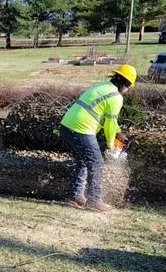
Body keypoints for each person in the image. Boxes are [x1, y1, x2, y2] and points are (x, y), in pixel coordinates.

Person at [59, 64, 137, 212]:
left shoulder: (102, 86)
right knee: (96, 163)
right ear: (126, 84)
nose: (127, 91)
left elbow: (108, 120)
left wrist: (118, 133)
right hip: (81, 129)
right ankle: (95, 200)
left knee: (82, 161)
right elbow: (109, 125)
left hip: (66, 127)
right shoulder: (116, 97)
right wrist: (110, 145)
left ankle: (76, 195)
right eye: (129, 87)